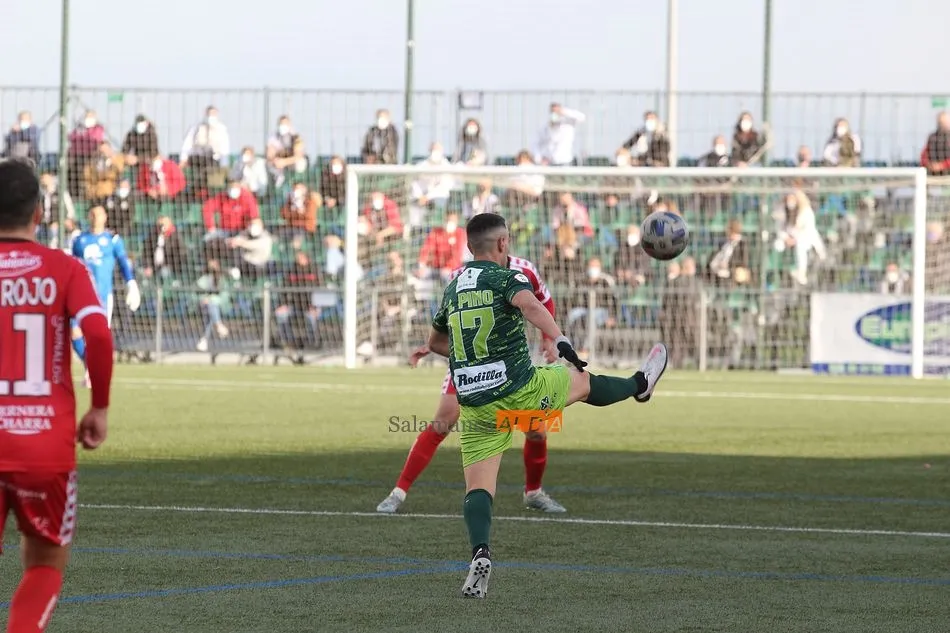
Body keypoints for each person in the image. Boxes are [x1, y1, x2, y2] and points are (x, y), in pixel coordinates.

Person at [411, 213, 668, 598]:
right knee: (582, 382)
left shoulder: (453, 289)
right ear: (502, 243)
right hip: (519, 390)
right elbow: (530, 305)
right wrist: (560, 340)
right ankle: (641, 384)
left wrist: (471, 359)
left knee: (479, 486)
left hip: (475, 402)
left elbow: (435, 343)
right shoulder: (506, 277)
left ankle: (480, 552)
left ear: (468, 246)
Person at [0, 158, 114, 633]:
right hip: (44, 443)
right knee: (45, 563)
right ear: (39, 212)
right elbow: (98, 334)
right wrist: (99, 407)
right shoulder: (65, 268)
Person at [377, 254, 564, 515]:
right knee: (442, 422)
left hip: (509, 366)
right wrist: (434, 344)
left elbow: (544, 300)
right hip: (470, 366)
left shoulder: (524, 270)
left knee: (536, 429)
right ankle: (397, 493)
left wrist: (548, 339)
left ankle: (533, 492)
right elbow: (450, 318)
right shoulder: (460, 276)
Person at [70, 206, 140, 382]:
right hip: (80, 294)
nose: (95, 217)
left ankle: (94, 371)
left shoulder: (112, 240)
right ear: (88, 216)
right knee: (74, 331)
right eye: (93, 214)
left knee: (96, 336)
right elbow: (72, 266)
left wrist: (131, 283)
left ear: (105, 217)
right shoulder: (79, 240)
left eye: (99, 214)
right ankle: (91, 367)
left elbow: (123, 261)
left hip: (102, 297)